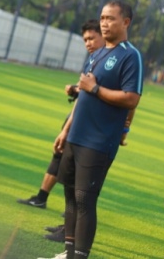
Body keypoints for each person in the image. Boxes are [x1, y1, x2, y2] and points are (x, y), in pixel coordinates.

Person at [40, 0, 143, 259]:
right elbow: (83, 96)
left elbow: (131, 98)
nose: (104, 23)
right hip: (76, 137)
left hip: (98, 142)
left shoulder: (130, 55)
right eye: (102, 18)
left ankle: (80, 256)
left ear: (126, 22)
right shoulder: (96, 53)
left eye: (110, 18)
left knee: (85, 200)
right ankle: (69, 252)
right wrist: (66, 131)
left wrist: (95, 89)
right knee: (71, 197)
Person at [18, 19, 106, 243]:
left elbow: (129, 98)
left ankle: (70, 232)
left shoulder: (114, 61)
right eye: (85, 39)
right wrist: (76, 92)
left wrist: (124, 128)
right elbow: (86, 94)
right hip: (76, 125)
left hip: (91, 133)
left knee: (79, 184)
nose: (88, 43)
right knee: (67, 174)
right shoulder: (94, 59)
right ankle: (64, 224)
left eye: (91, 38)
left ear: (103, 35)